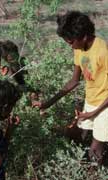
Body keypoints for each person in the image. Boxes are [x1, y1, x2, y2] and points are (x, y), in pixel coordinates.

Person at [33, 11, 108, 165]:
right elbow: (74, 81)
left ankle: (93, 172)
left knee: (95, 150)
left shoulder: (103, 52)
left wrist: (92, 113)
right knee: (75, 135)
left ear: (84, 36)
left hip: (105, 105)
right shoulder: (79, 49)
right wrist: (47, 103)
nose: (70, 46)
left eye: (70, 42)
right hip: (92, 100)